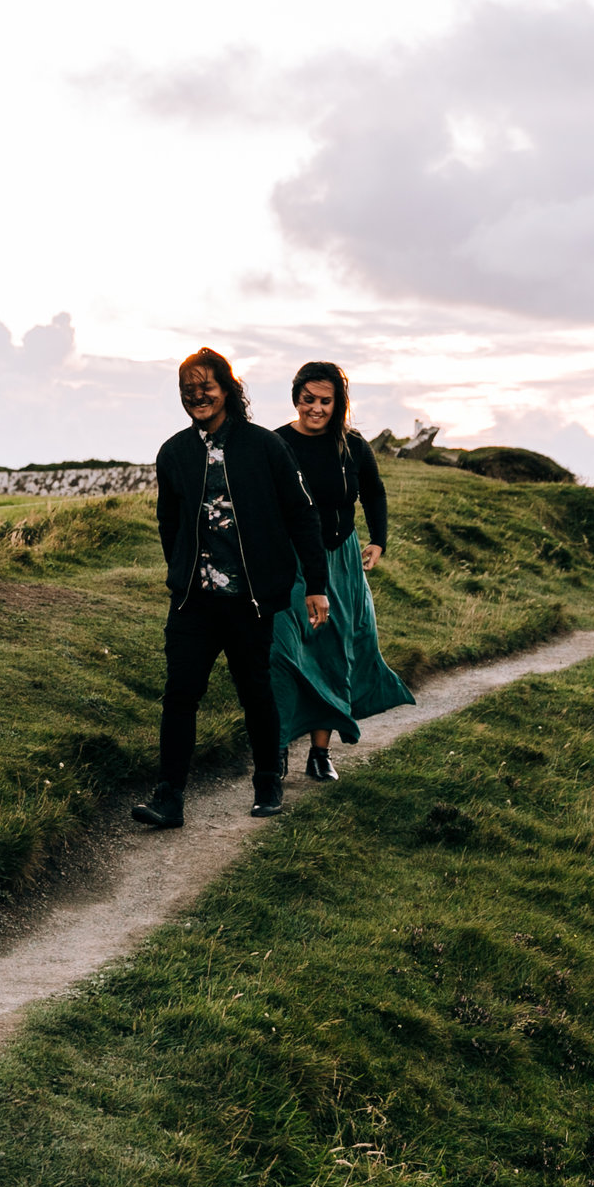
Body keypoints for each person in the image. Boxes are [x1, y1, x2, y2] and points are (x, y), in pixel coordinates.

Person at [131, 349, 331, 828]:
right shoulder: (174, 452)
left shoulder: (264, 446)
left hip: (250, 599)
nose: (197, 396)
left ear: (228, 388)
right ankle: (169, 797)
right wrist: (181, 573)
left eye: (206, 386)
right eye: (188, 390)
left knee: (255, 691)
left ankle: (267, 781)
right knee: (180, 693)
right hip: (193, 602)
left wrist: (315, 586)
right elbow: (169, 523)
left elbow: (302, 515)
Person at [269, 361, 414, 779]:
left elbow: (373, 492)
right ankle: (276, 748)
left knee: (336, 650)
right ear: (295, 397)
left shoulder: (351, 445)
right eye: (307, 399)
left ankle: (319, 753)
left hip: (341, 559)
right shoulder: (276, 444)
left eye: (325, 401)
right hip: (291, 562)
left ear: (338, 403)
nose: (315, 408)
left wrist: (378, 540)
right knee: (282, 651)